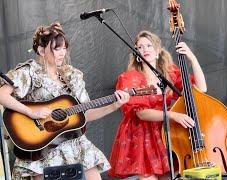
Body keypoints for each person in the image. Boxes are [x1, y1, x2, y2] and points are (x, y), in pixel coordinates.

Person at [0, 22, 130, 180]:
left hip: (74, 144)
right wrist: (31, 112)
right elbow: (2, 95)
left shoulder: (71, 76)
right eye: (56, 48)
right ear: (41, 51)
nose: (62, 53)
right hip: (42, 147)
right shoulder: (31, 71)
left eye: (64, 48)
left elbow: (85, 114)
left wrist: (115, 105)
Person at [108, 30, 207, 179]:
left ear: (158, 51)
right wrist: (173, 115)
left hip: (166, 133)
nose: (145, 49)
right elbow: (141, 113)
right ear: (136, 53)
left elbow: (201, 88)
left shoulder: (169, 73)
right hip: (142, 135)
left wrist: (192, 58)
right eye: (140, 47)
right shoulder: (130, 77)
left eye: (149, 45)